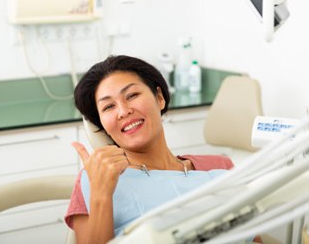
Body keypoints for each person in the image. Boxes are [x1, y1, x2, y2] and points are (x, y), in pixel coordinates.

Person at [64, 55, 261, 244]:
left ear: (159, 98)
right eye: (108, 107)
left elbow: (253, 237)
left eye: (132, 95)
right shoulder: (94, 180)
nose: (124, 111)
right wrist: (101, 194)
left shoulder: (220, 167)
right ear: (102, 124)